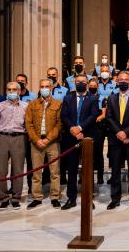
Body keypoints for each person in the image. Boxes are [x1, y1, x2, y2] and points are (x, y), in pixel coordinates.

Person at [60, 74, 99, 210]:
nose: (80, 83)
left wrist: (80, 128)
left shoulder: (93, 98)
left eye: (83, 81)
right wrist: (72, 129)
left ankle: (88, 197)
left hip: (87, 137)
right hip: (71, 137)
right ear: (74, 83)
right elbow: (63, 115)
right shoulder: (68, 97)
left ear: (88, 83)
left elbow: (93, 116)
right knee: (71, 169)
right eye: (78, 82)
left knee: (87, 169)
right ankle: (71, 198)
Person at [105, 71, 129, 210]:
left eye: (126, 80)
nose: (123, 82)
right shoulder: (111, 98)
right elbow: (109, 118)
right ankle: (115, 198)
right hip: (116, 140)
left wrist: (126, 133)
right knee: (115, 171)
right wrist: (119, 133)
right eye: (121, 79)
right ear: (116, 81)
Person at [25, 79, 62, 209]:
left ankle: (55, 197)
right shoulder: (33, 104)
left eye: (47, 86)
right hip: (36, 142)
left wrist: (48, 139)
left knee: (55, 172)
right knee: (36, 172)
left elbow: (59, 124)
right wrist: (36, 140)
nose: (44, 88)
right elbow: (28, 124)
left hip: (52, 142)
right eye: (42, 86)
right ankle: (37, 197)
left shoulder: (58, 103)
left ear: (51, 88)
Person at [0, 82, 28, 210]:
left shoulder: (25, 106)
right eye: (9, 89)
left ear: (19, 91)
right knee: (1, 170)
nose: (11, 91)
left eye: (14, 89)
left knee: (18, 170)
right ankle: (3, 198)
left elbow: (28, 124)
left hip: (19, 137)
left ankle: (16, 198)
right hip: (2, 138)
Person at [16, 73, 37, 195]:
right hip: (17, 133)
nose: (20, 82)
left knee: (31, 162)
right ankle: (15, 187)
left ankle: (30, 186)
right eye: (18, 80)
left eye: (22, 81)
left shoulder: (33, 96)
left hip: (29, 134)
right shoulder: (11, 97)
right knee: (16, 162)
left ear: (26, 83)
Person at [88, 79, 104, 184]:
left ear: (97, 86)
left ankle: (100, 176)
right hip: (87, 127)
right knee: (86, 154)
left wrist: (95, 118)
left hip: (98, 127)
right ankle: (85, 175)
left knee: (99, 153)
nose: (92, 87)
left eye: (94, 85)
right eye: (91, 85)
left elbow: (104, 113)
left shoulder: (101, 98)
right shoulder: (86, 97)